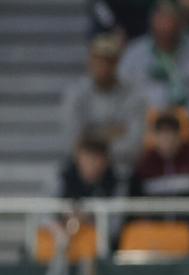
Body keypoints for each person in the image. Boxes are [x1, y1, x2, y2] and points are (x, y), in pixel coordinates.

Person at [61, 33, 148, 173]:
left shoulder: (133, 94)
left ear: (117, 63)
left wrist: (92, 138)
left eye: (108, 61)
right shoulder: (76, 94)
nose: (103, 66)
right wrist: (113, 133)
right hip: (83, 171)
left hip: (123, 169)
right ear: (90, 62)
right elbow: (73, 141)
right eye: (98, 60)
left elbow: (135, 144)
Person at [118, 0, 189, 108]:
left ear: (182, 24)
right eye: (161, 19)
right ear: (152, 22)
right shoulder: (133, 53)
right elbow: (121, 91)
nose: (166, 27)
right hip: (143, 119)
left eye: (171, 20)